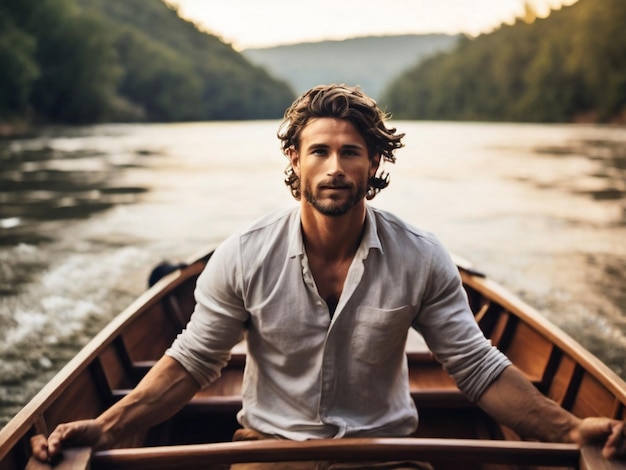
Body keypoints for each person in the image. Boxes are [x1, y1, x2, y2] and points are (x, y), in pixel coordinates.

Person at [31, 84, 625, 468]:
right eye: (319, 151)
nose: (335, 168)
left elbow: (477, 368)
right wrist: (105, 429)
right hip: (268, 456)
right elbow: (190, 364)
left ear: (374, 162)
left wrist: (572, 430)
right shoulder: (242, 255)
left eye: (350, 152)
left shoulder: (420, 256)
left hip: (386, 458)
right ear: (295, 160)